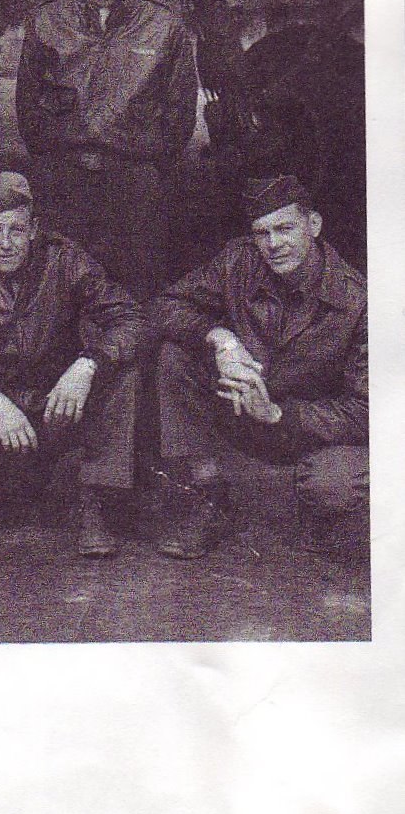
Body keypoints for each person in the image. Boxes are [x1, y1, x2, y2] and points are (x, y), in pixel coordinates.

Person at [0, 171, 145, 557]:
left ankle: (95, 502)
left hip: (56, 401)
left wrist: (87, 364)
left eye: (16, 229)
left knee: (124, 375)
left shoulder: (66, 260)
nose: (6, 243)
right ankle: (4, 498)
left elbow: (133, 320)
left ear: (33, 228)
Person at [152, 175, 368, 559]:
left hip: (309, 430)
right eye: (262, 233)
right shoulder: (239, 261)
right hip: (243, 410)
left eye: (285, 229)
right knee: (174, 354)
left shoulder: (356, 301)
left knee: (331, 489)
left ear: (313, 225)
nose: (274, 245)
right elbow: (166, 305)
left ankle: (322, 514)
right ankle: (209, 496)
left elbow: (369, 411)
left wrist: (279, 414)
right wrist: (219, 337)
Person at [15, 0, 199, 299]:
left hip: (134, 188)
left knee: (136, 295)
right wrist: (55, 166)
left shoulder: (164, 25)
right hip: (65, 184)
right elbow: (29, 111)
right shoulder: (46, 21)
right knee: (61, 295)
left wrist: (142, 165)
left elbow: (180, 116)